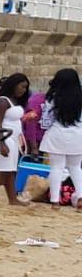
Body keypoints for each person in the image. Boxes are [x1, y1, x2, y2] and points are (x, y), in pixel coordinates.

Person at [38, 68, 82, 207]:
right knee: (75, 167)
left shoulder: (53, 98)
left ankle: (55, 201)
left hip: (57, 135)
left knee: (56, 168)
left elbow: (46, 122)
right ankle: (81, 197)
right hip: (77, 135)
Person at [0, 74, 29, 207]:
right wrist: (2, 143)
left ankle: (12, 199)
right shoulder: (2, 101)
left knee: (11, 170)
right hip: (3, 137)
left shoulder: (13, 101)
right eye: (22, 87)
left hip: (13, 138)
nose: (23, 90)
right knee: (3, 170)